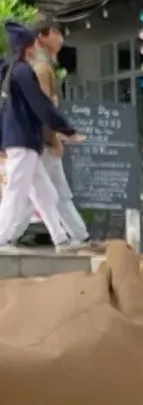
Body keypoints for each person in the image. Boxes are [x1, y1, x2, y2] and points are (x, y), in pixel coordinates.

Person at [0, 19, 83, 251]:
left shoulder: (11, 72)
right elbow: (41, 105)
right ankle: (1, 238)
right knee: (16, 192)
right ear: (29, 47)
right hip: (23, 142)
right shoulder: (22, 72)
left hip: (21, 141)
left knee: (44, 192)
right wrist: (66, 129)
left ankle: (60, 238)